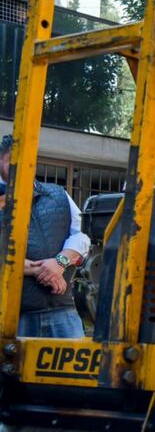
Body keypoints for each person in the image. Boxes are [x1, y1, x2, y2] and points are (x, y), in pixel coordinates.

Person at [0, 134, 89, 338]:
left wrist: (59, 262)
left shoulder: (57, 194)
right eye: (13, 160)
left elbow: (83, 234)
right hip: (11, 314)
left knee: (70, 370)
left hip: (61, 309)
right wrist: (40, 269)